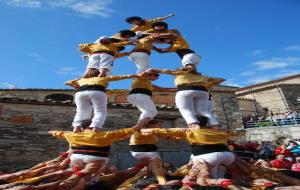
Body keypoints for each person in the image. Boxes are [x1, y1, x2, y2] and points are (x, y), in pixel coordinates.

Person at [47, 124, 145, 189]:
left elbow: (56, 132)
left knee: (77, 172)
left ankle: (75, 177)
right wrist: (142, 122)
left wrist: (51, 131)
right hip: (96, 158)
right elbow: (128, 131)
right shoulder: (105, 135)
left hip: (77, 158)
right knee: (86, 176)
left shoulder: (71, 134)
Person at [141, 126, 236, 188]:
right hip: (221, 156)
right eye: (162, 167)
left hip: (207, 158)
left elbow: (169, 133)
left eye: (161, 166)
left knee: (213, 177)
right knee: (216, 177)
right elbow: (233, 133)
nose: (163, 166)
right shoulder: (176, 175)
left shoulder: (175, 176)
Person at [141, 65, 224, 128]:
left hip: (185, 90)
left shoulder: (179, 72)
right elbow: (220, 80)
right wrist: (213, 81)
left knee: (186, 109)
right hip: (203, 92)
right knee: (203, 111)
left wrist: (143, 74)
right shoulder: (201, 76)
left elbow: (152, 70)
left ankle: (194, 125)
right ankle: (215, 126)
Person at [65, 69, 138, 132]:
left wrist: (77, 83)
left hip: (80, 93)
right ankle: (95, 129)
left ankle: (76, 128)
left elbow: (67, 82)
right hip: (97, 91)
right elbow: (118, 77)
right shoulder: (103, 78)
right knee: (100, 111)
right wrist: (131, 76)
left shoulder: (82, 80)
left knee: (81, 111)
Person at [128, 120, 167, 185]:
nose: (161, 126)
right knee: (157, 168)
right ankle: (163, 184)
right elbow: (136, 131)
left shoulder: (154, 132)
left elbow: (166, 137)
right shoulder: (143, 130)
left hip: (145, 152)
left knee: (148, 170)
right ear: (151, 125)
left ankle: (129, 183)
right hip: (144, 151)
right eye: (159, 125)